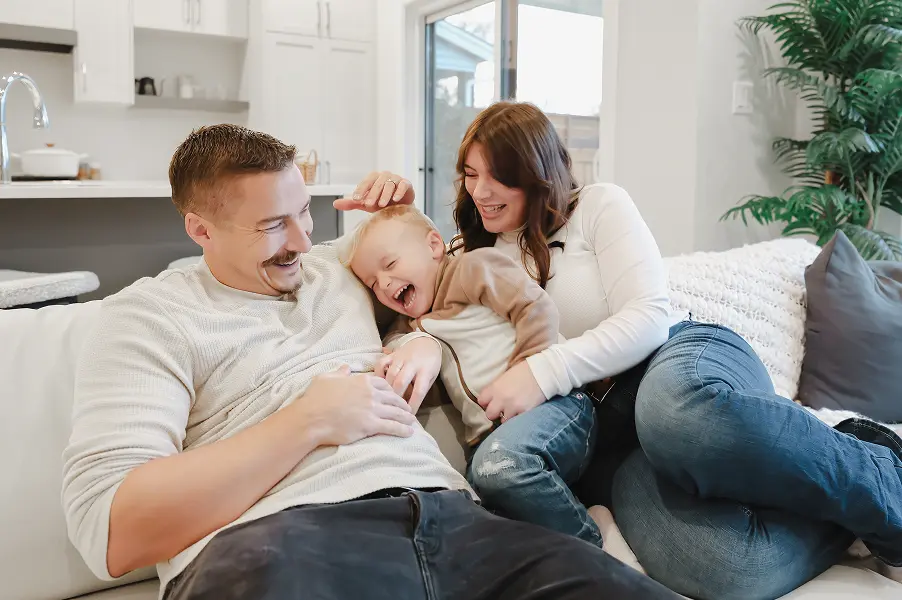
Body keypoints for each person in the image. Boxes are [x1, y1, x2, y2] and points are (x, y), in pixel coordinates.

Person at [61, 124, 679, 600]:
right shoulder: (150, 316)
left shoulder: (337, 268)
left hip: (454, 519)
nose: (305, 243)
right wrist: (306, 422)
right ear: (200, 229)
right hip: (280, 542)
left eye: (305, 212)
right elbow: (112, 532)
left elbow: (430, 260)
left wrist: (403, 220)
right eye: (275, 225)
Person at [338, 100, 902, 600]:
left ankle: (884, 488)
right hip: (607, 432)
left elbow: (650, 315)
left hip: (679, 363)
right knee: (723, 570)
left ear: (537, 171)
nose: (481, 192)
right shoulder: (474, 245)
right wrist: (396, 218)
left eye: (498, 176)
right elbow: (408, 277)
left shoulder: (598, 205)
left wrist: (541, 371)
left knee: (676, 420)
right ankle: (857, 472)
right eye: (470, 175)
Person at [341, 204, 600, 545]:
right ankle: (587, 520)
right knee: (478, 503)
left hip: (556, 406)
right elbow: (413, 369)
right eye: (373, 283)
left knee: (500, 468)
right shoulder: (416, 326)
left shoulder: (471, 269)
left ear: (435, 246)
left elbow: (536, 309)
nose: (385, 283)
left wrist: (528, 373)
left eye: (390, 265)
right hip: (490, 438)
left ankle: (596, 547)